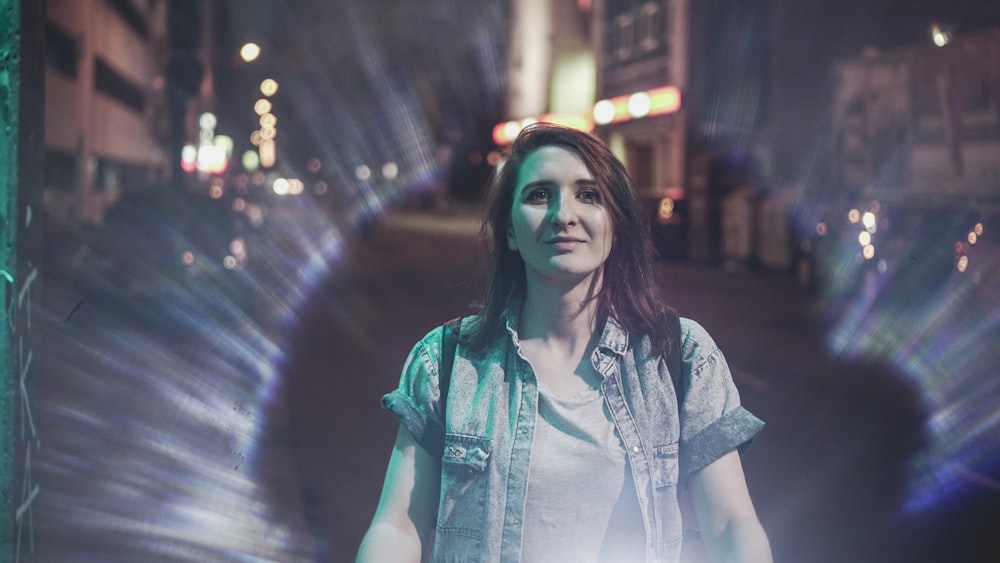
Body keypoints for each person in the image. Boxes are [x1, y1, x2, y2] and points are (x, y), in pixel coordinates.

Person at [356, 123, 772, 563]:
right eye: (539, 195)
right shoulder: (447, 361)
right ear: (511, 232)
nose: (563, 214)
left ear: (615, 224)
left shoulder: (680, 356)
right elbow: (397, 526)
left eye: (588, 195)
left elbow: (731, 527)